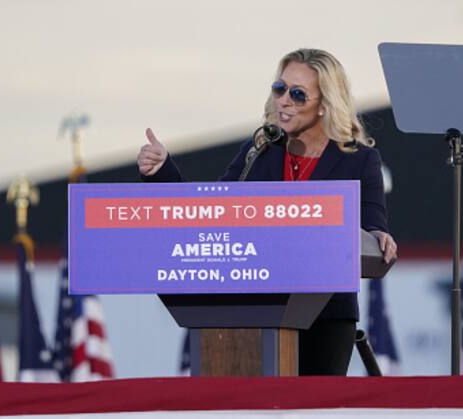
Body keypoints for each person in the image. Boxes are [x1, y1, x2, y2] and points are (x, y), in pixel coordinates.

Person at [137, 48, 397, 375]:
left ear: (325, 105)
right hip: (253, 309)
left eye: (298, 94)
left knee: (311, 416)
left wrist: (377, 237)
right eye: (280, 88)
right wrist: (163, 171)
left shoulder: (358, 159)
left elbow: (372, 225)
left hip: (325, 317)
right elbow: (212, 211)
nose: (284, 100)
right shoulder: (259, 149)